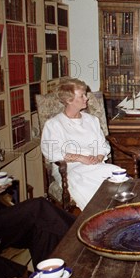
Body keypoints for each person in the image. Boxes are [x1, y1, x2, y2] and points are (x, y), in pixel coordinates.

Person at [41, 78, 120, 210]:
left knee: (117, 173)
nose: (86, 99)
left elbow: (102, 145)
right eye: (82, 96)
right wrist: (80, 158)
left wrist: (99, 157)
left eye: (85, 95)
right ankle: (95, 218)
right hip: (69, 168)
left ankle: (119, 215)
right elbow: (50, 152)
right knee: (85, 184)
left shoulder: (92, 120)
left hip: (95, 164)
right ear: (69, 100)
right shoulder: (54, 124)